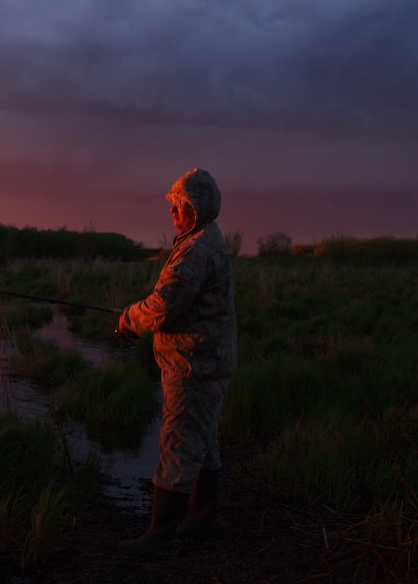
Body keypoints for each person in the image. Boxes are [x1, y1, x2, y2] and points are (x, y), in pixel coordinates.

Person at [115, 167, 237, 555]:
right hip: (208, 360)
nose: (173, 211)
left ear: (196, 207)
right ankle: (199, 524)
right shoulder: (207, 239)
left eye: (179, 205)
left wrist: (129, 319)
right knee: (204, 443)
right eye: (172, 205)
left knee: (179, 443)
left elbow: (163, 306)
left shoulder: (197, 248)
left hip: (194, 365)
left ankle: (160, 536)